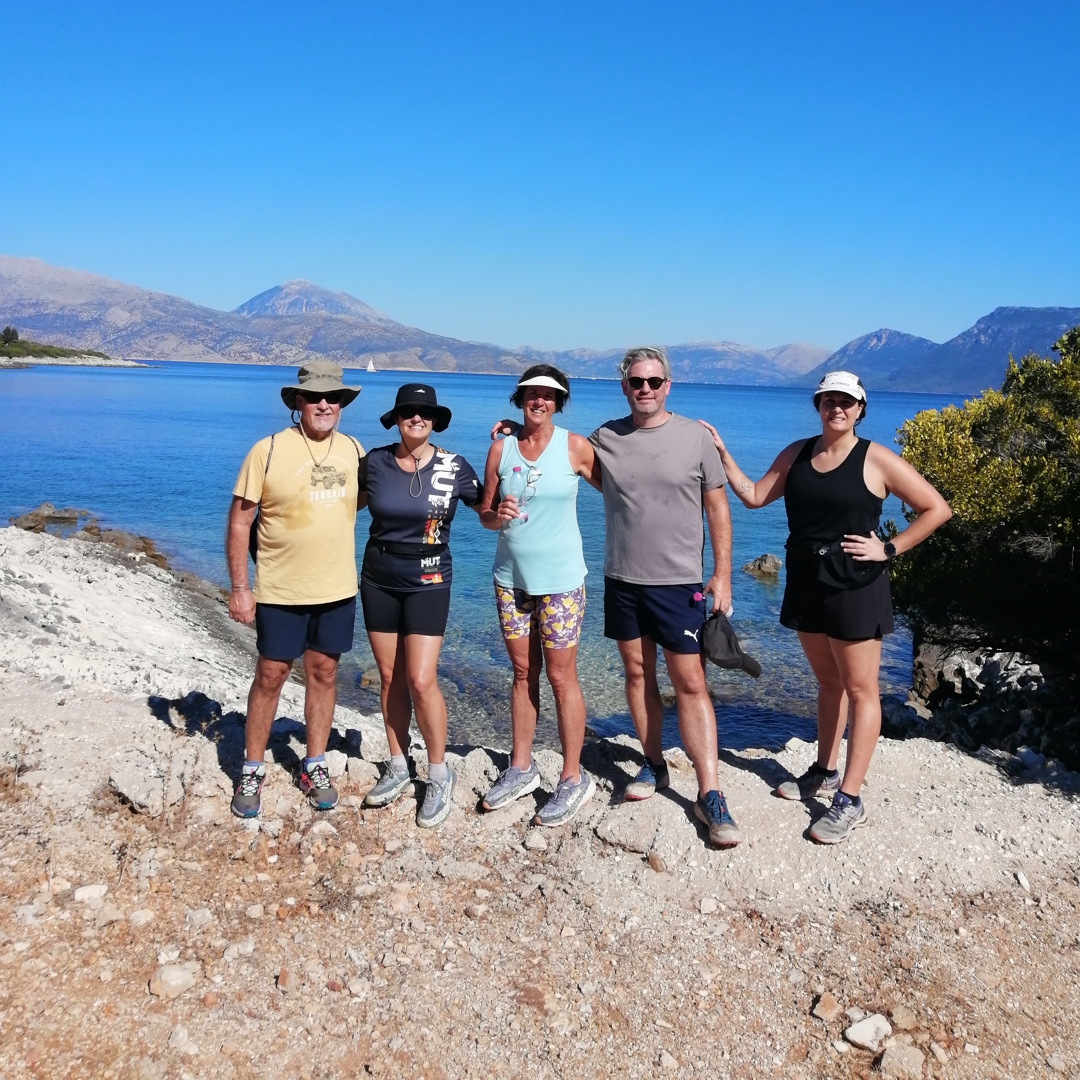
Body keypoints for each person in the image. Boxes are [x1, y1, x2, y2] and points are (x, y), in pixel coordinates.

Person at [700, 370, 951, 844]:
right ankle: (824, 770)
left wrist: (889, 549)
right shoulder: (797, 453)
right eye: (828, 400)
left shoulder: (875, 458)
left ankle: (850, 800)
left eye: (846, 401)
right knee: (828, 682)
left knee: (861, 691)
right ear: (818, 405)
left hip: (856, 585)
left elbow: (936, 508)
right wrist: (722, 454)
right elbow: (754, 496)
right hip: (806, 581)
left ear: (860, 409)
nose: (837, 408)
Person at [590, 346, 741, 848]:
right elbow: (557, 453)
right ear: (625, 387)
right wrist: (510, 433)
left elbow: (718, 509)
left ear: (668, 385)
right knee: (637, 673)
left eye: (654, 381)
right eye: (637, 382)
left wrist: (722, 575)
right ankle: (653, 764)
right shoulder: (606, 437)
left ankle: (711, 791)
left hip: (680, 583)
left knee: (691, 682)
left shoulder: (696, 438)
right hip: (622, 579)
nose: (646, 389)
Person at [227, 361, 364, 817]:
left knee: (324, 673)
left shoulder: (353, 451)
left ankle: (314, 763)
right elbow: (240, 520)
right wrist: (241, 588)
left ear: (342, 404)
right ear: (298, 403)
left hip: (337, 588)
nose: (325, 404)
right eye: (316, 397)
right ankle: (251, 768)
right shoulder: (266, 451)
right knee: (270, 675)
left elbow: (386, 486)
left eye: (334, 397)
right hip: (280, 591)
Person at [478, 365, 599, 826]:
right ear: (520, 398)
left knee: (561, 676)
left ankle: (572, 778)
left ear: (559, 402)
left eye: (549, 395)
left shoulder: (574, 447)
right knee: (523, 671)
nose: (539, 401)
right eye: (532, 393)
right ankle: (521, 768)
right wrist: (497, 514)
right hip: (510, 579)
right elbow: (486, 514)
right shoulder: (501, 447)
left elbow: (618, 488)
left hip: (562, 581)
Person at [359, 384, 483, 829]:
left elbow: (486, 511)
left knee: (421, 677)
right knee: (390, 676)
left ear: (435, 420)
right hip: (378, 578)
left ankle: (437, 773)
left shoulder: (454, 466)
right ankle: (396, 764)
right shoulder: (373, 462)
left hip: (430, 580)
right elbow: (344, 508)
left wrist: (511, 506)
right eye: (409, 411)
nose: (417, 418)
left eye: (425, 412)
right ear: (396, 418)